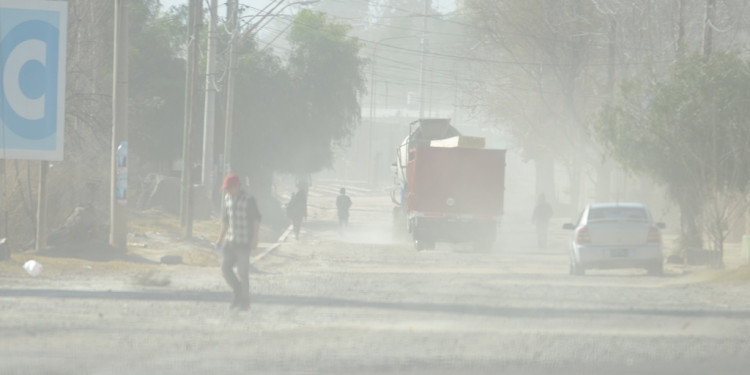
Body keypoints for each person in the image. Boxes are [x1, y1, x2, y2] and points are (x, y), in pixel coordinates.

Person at [215, 174, 262, 311]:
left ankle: (245, 302)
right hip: (230, 242)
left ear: (236, 186)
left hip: (244, 242)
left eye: (229, 188)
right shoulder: (227, 199)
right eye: (226, 189)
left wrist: (255, 238)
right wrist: (220, 239)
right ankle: (238, 292)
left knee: (243, 272)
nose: (228, 191)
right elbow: (225, 221)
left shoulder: (249, 200)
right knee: (225, 268)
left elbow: (256, 220)